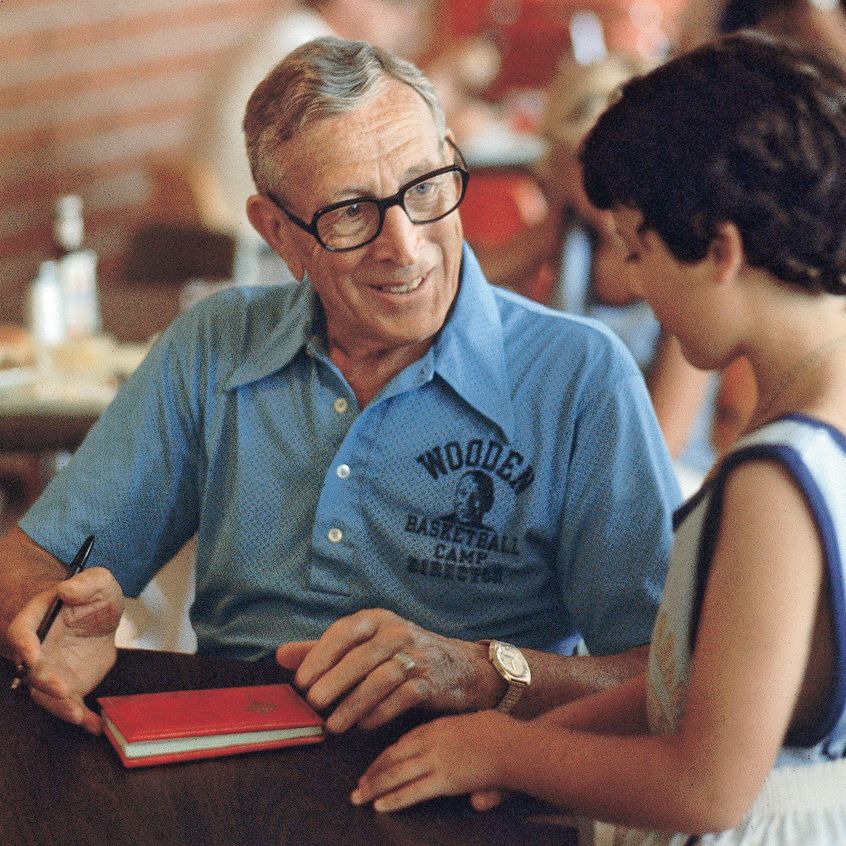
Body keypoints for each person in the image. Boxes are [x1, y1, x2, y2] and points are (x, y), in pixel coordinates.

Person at [0, 37, 679, 738]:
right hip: (227, 759)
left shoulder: (578, 376)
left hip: (468, 785)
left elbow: (663, 677)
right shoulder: (215, 345)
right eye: (351, 212)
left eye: (424, 188)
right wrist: (53, 618)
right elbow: (33, 561)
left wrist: (484, 673)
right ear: (280, 235)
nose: (406, 244)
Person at [351, 32, 846, 845]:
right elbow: (687, 684)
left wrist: (506, 752)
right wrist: (524, 741)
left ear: (719, 250)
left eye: (638, 251)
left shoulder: (776, 476)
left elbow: (706, 785)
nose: (637, 284)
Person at [472, 54, 718, 491]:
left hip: (665, 482)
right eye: (580, 164)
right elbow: (473, 276)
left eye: (619, 164)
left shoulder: (685, 260)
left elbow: (663, 440)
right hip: (576, 470)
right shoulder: (570, 233)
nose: (603, 182)